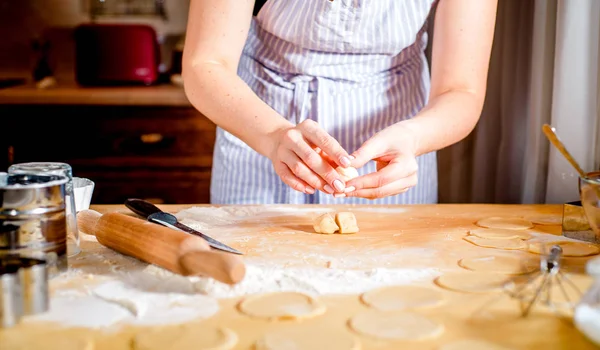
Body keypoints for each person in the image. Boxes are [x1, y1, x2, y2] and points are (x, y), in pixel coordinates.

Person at [182, 0, 498, 205]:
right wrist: (274, 135)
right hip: (260, 126)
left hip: (393, 145)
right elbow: (205, 65)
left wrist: (414, 138)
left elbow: (461, 91)